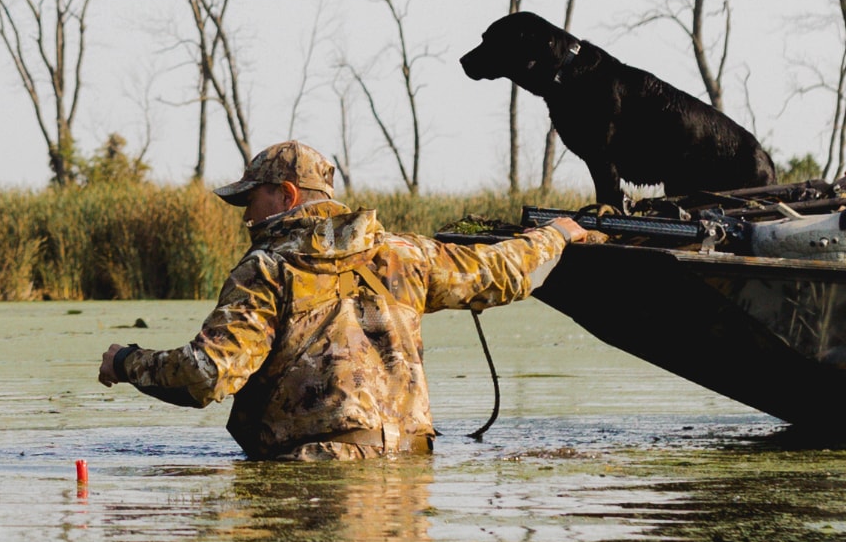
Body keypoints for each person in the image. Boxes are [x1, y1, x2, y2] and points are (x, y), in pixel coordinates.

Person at [97, 140, 604, 461]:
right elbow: (501, 269)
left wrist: (126, 362)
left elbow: (207, 374)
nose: (245, 215)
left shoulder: (269, 268)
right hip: (409, 471)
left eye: (251, 199)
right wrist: (555, 235)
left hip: (312, 475)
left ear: (288, 196)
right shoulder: (406, 255)